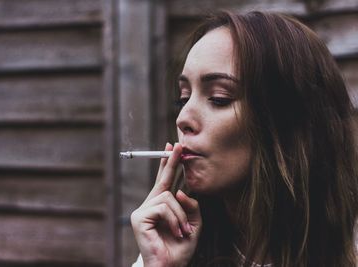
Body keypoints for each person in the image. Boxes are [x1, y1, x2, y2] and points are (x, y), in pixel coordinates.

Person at [130, 10, 358, 267]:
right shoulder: (168, 247)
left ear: (287, 119)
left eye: (219, 98)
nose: (182, 118)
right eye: (183, 98)